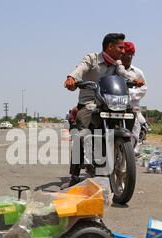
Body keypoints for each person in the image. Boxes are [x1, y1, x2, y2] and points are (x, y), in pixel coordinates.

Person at [62, 34, 144, 188]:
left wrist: (133, 80)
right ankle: (74, 175)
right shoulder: (92, 58)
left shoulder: (117, 63)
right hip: (89, 102)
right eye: (120, 47)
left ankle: (121, 148)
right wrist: (72, 78)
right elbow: (80, 69)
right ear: (110, 47)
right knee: (81, 135)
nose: (123, 50)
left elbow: (124, 74)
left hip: (109, 101)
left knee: (132, 113)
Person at [121, 41, 148, 155]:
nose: (128, 57)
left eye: (131, 54)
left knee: (136, 128)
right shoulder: (114, 70)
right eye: (126, 53)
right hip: (116, 105)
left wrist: (131, 94)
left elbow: (144, 88)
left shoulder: (138, 72)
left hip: (133, 106)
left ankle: (132, 152)